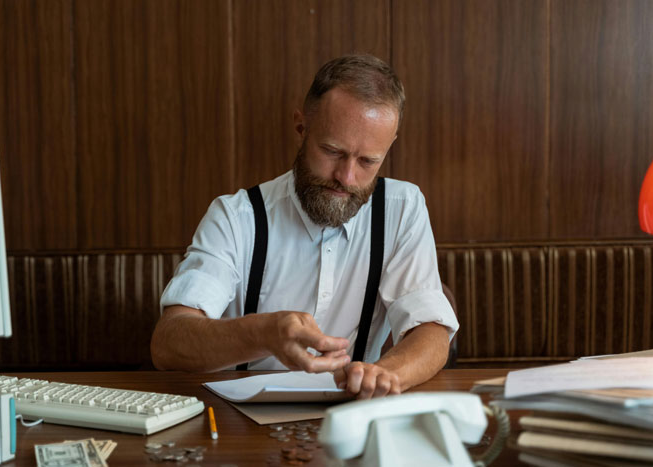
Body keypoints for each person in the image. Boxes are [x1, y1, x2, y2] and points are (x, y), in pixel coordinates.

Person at [151, 54, 459, 399]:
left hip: (351, 414)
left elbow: (431, 331)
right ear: (301, 128)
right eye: (332, 151)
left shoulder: (402, 207)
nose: (346, 177)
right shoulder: (237, 216)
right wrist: (262, 334)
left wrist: (382, 375)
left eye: (368, 161)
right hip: (236, 422)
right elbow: (169, 341)